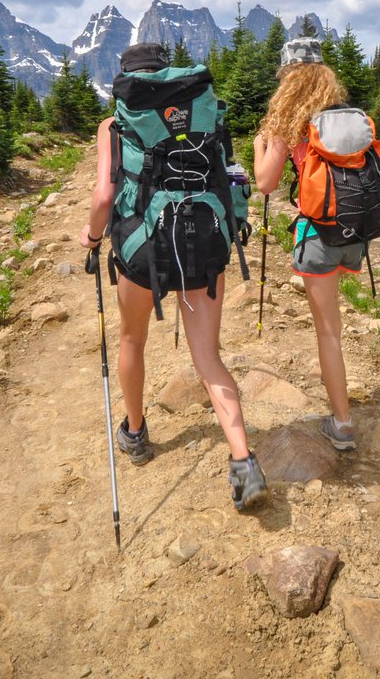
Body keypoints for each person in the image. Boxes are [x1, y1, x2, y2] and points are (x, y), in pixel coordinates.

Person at [80, 42, 267, 512]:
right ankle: (243, 460)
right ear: (168, 72)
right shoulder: (207, 111)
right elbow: (233, 176)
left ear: (128, 79)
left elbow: (104, 196)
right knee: (208, 357)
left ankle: (136, 433)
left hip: (143, 249)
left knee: (131, 342)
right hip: (205, 243)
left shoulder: (115, 123)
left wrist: (92, 236)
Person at [252, 37, 380, 452]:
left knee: (328, 332)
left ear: (288, 78)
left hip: (318, 234)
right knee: (333, 326)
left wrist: (260, 147)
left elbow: (264, 183)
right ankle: (341, 414)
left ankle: (342, 423)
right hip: (357, 232)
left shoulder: (289, 123)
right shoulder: (351, 120)